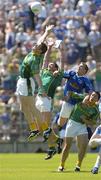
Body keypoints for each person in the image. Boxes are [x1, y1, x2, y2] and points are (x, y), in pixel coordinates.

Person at [16, 25, 54, 138]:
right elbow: (40, 41)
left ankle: (45, 129)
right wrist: (46, 33)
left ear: (39, 51)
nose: (34, 45)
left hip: (27, 83)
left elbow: (37, 76)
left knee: (32, 108)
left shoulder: (34, 60)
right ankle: (34, 128)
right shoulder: (35, 52)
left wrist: (41, 88)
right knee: (23, 108)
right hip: (22, 81)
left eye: (36, 46)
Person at [58, 91, 100, 172]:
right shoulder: (82, 97)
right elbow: (70, 93)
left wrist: (84, 120)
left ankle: (78, 165)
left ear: (97, 100)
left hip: (82, 126)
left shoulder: (95, 110)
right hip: (72, 123)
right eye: (92, 95)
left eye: (95, 97)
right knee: (67, 146)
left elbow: (93, 123)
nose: (92, 97)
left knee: (84, 146)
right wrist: (67, 95)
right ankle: (61, 165)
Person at [58, 62, 93, 129]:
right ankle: (59, 128)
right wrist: (57, 72)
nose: (78, 67)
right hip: (67, 102)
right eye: (79, 66)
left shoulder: (85, 80)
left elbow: (90, 91)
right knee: (61, 123)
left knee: (74, 123)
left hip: (76, 104)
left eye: (81, 66)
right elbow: (62, 74)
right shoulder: (71, 73)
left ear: (85, 70)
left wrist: (89, 99)